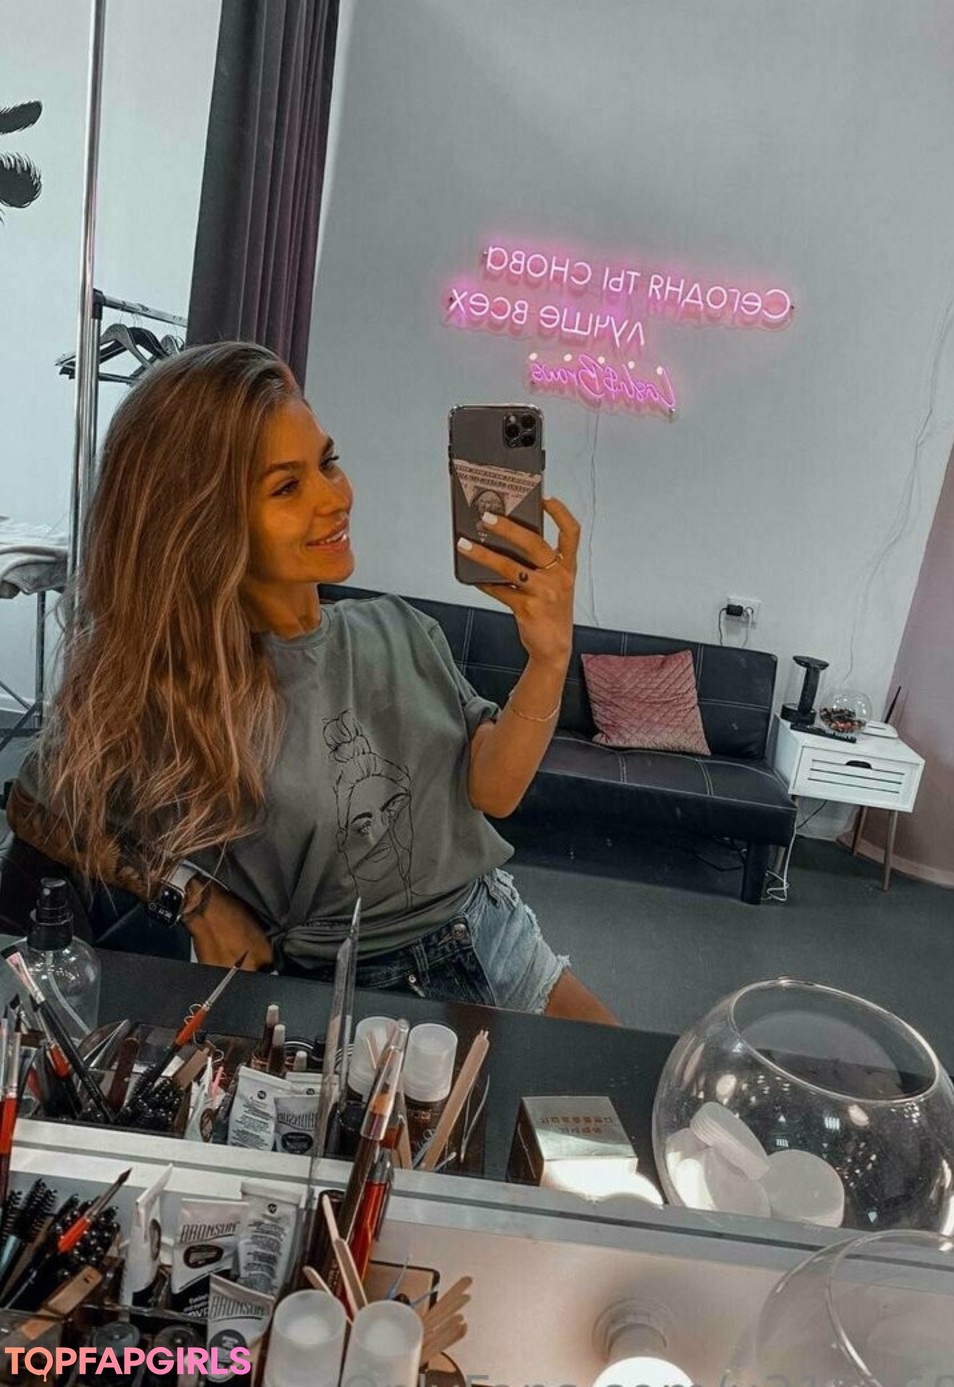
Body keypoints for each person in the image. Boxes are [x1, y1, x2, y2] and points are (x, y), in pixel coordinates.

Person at [1, 342, 616, 1024]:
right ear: (204, 521)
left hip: (497, 935)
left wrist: (550, 658)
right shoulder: (182, 691)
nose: (335, 497)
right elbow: (40, 805)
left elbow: (493, 789)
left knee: (633, 1086)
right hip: (349, 991)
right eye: (287, 487)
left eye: (327, 462)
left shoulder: (400, 629)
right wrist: (191, 898)